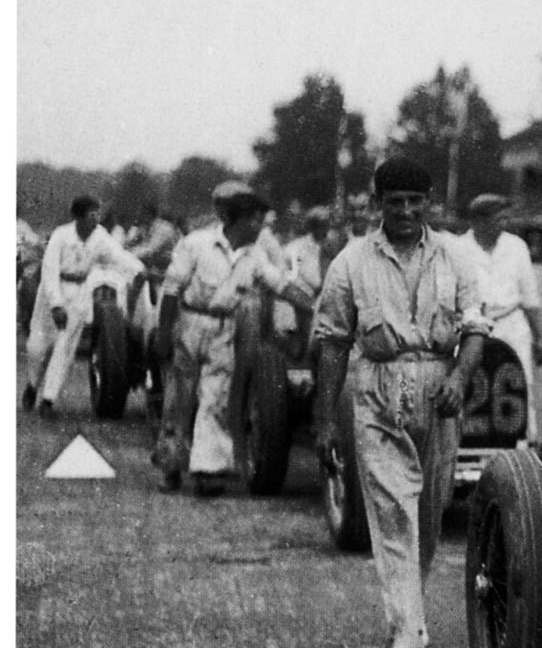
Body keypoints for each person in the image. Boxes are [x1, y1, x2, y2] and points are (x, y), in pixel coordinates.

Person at [312, 158, 487, 648]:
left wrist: (460, 378)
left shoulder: (456, 256)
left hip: (438, 390)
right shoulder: (351, 261)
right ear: (378, 204)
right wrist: (326, 420)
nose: (406, 211)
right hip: (377, 389)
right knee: (392, 514)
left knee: (428, 517)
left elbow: (475, 328)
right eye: (395, 202)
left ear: (428, 203)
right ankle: (402, 636)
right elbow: (332, 343)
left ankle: (412, 622)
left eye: (415, 201)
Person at [150, 191, 289, 495]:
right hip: (189, 323)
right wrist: (163, 335)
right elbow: (172, 289)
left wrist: (314, 305)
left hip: (225, 328)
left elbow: (281, 284)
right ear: (238, 220)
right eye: (256, 221)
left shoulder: (254, 255)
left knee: (215, 397)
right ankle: (171, 467)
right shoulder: (196, 244)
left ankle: (207, 470)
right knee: (180, 400)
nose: (261, 228)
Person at [22, 195, 145, 418]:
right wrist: (56, 305)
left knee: (65, 346)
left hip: (79, 292)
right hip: (52, 290)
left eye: (98, 214)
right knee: (37, 346)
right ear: (78, 217)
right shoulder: (61, 235)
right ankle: (32, 384)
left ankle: (48, 400)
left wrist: (138, 269)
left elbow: (118, 256)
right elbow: (49, 269)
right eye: (91, 215)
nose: (96, 219)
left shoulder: (100, 236)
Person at [459, 193, 542, 434]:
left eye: (505, 218)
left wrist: (539, 338)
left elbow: (529, 296)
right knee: (471, 385)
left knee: (520, 383)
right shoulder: (458, 248)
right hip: (471, 327)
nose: (504, 224)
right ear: (479, 221)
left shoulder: (516, 247)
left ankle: (525, 442)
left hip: (511, 324)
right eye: (498, 219)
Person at [273, 205, 333, 351]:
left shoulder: (331, 246)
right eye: (320, 224)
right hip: (300, 303)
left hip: (324, 303)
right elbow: (286, 277)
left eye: (326, 224)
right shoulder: (296, 247)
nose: (324, 229)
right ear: (312, 226)